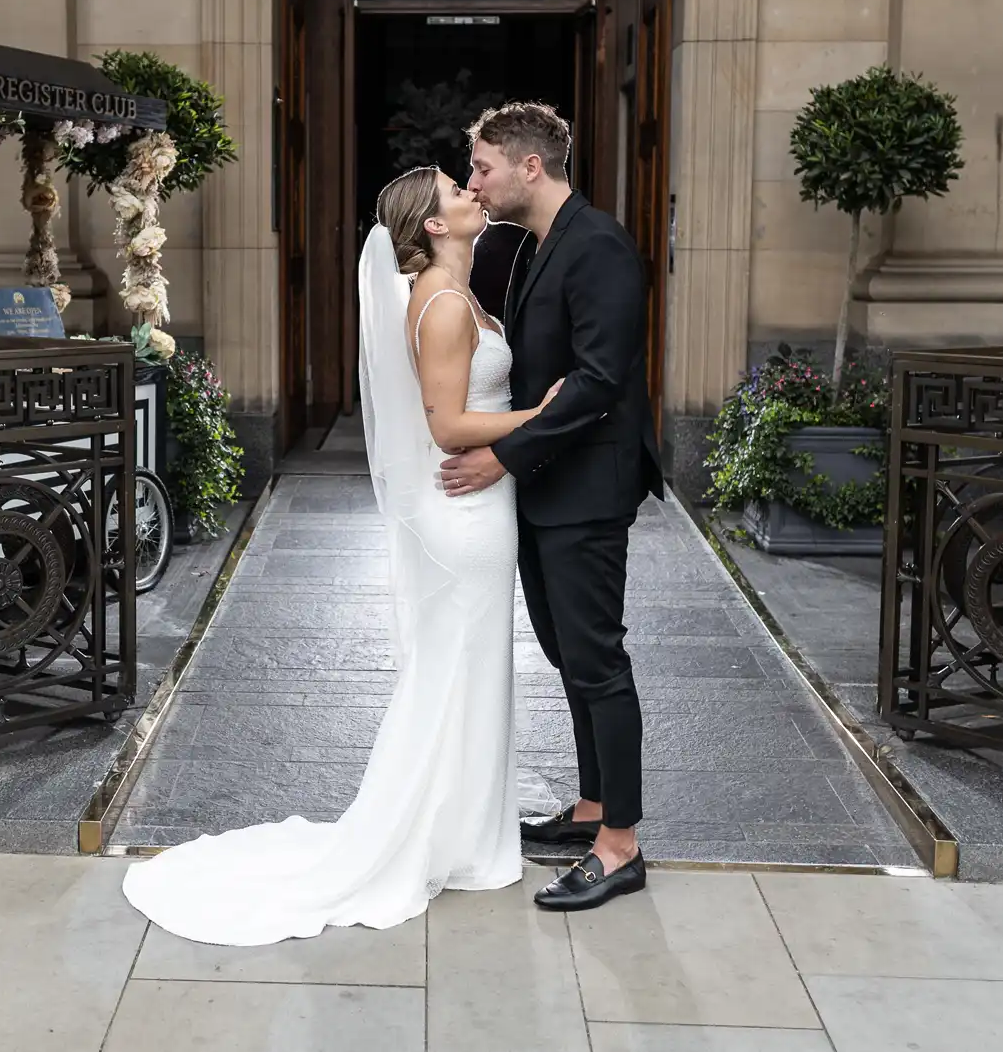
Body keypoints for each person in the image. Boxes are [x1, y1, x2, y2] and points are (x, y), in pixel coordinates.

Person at [121, 165, 558, 945]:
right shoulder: (445, 306)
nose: (471, 195)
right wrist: (543, 411)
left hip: (477, 507)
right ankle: (434, 837)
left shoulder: (456, 291)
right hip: (464, 510)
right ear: (431, 224)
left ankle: (462, 833)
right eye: (458, 190)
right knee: (451, 668)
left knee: (469, 666)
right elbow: (450, 426)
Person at [441, 101, 665, 912]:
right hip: (550, 488)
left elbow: (600, 383)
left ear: (529, 166)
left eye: (483, 167)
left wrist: (501, 453)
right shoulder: (537, 242)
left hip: (587, 489)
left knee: (598, 662)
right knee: (571, 656)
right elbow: (548, 366)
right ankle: (595, 805)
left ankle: (620, 846)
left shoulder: (598, 243)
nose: (475, 181)